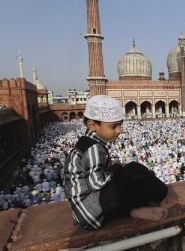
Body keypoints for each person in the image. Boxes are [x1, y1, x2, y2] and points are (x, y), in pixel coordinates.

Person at [64, 95, 169, 230]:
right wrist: (117, 167)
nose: (119, 130)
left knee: (128, 181)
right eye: (113, 126)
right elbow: (96, 183)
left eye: (120, 125)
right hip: (94, 212)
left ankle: (133, 210)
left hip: (87, 212)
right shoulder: (93, 148)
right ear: (92, 125)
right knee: (134, 170)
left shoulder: (87, 143)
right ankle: (165, 199)